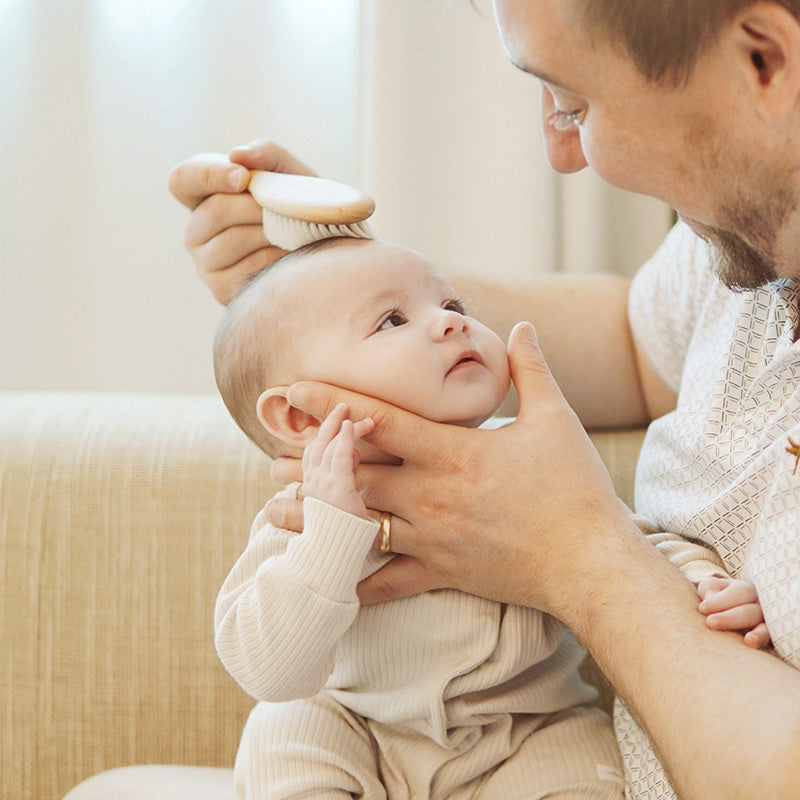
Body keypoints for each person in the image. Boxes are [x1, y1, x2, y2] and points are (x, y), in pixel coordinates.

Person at [169, 3, 800, 798]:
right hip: (357, 736)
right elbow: (638, 345)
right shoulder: (749, 234)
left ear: (764, 62)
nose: (560, 151)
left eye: (575, 102)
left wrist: (577, 555)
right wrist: (338, 292)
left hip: (533, 750)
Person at [212, 236, 761, 799]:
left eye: (453, 307)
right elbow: (273, 675)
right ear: (300, 415)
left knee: (586, 762)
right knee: (280, 730)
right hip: (358, 726)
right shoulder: (299, 515)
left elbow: (625, 540)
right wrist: (329, 536)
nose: (450, 325)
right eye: (392, 320)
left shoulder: (528, 462)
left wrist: (705, 585)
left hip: (526, 731)